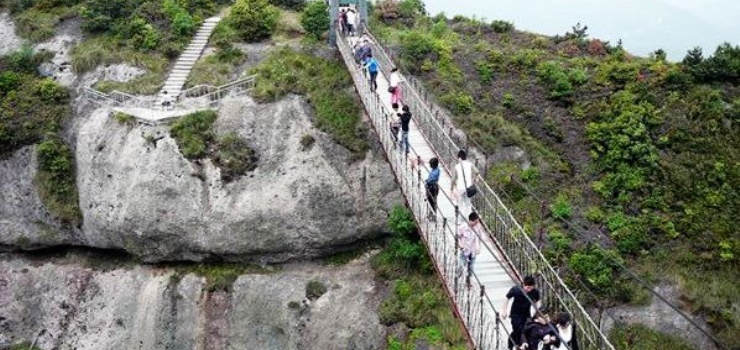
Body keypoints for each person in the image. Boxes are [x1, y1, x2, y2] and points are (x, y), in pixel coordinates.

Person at [502, 275, 542, 350]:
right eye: (527, 288)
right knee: (518, 330)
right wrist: (504, 311)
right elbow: (506, 298)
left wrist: (537, 311)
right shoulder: (516, 289)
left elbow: (538, 301)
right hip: (515, 314)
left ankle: (517, 344)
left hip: (527, 314)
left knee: (525, 330)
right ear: (523, 284)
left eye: (531, 288)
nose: (529, 290)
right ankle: (518, 345)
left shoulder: (535, 291)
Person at [450, 149, 478, 221]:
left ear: (459, 158)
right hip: (469, 187)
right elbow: (477, 172)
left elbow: (453, 179)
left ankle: (459, 220)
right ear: (466, 157)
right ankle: (469, 220)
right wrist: (474, 180)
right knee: (468, 204)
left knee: (460, 204)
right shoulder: (470, 164)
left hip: (460, 188)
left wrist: (451, 189)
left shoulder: (457, 166)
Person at [457, 211, 481, 287]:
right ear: (471, 220)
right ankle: (456, 277)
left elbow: (477, 239)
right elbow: (457, 236)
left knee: (471, 267)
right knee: (461, 265)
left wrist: (478, 248)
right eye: (476, 222)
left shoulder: (477, 228)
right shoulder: (463, 227)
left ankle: (468, 282)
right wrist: (460, 245)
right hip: (465, 250)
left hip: (472, 251)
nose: (477, 223)